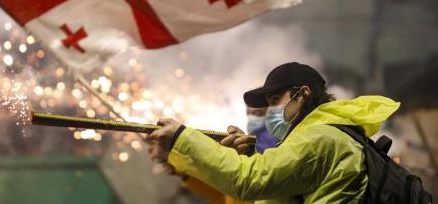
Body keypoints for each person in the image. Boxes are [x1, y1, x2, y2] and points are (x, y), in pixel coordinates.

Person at [148, 62, 400, 204]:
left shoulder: (321, 139)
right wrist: (244, 158)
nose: (269, 111)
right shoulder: (329, 134)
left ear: (303, 94)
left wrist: (182, 137)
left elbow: (249, 181)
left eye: (274, 99)